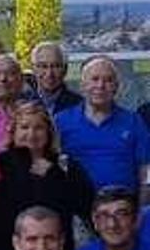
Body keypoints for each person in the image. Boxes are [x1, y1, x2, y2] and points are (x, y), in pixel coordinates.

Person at [0, 102, 94, 250]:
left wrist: (53, 176)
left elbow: (85, 205)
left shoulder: (64, 165)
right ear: (13, 132)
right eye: (24, 127)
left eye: (38, 128)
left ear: (48, 132)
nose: (31, 134)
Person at [55, 56, 150, 197]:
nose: (101, 85)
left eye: (108, 80)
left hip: (123, 209)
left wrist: (142, 212)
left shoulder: (134, 122)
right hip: (76, 209)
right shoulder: (61, 121)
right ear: (82, 85)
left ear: (117, 87)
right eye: (94, 79)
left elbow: (146, 169)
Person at [30, 42, 82, 116]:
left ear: (65, 70)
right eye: (43, 66)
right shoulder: (22, 103)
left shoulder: (80, 105)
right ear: (33, 69)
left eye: (56, 66)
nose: (49, 73)